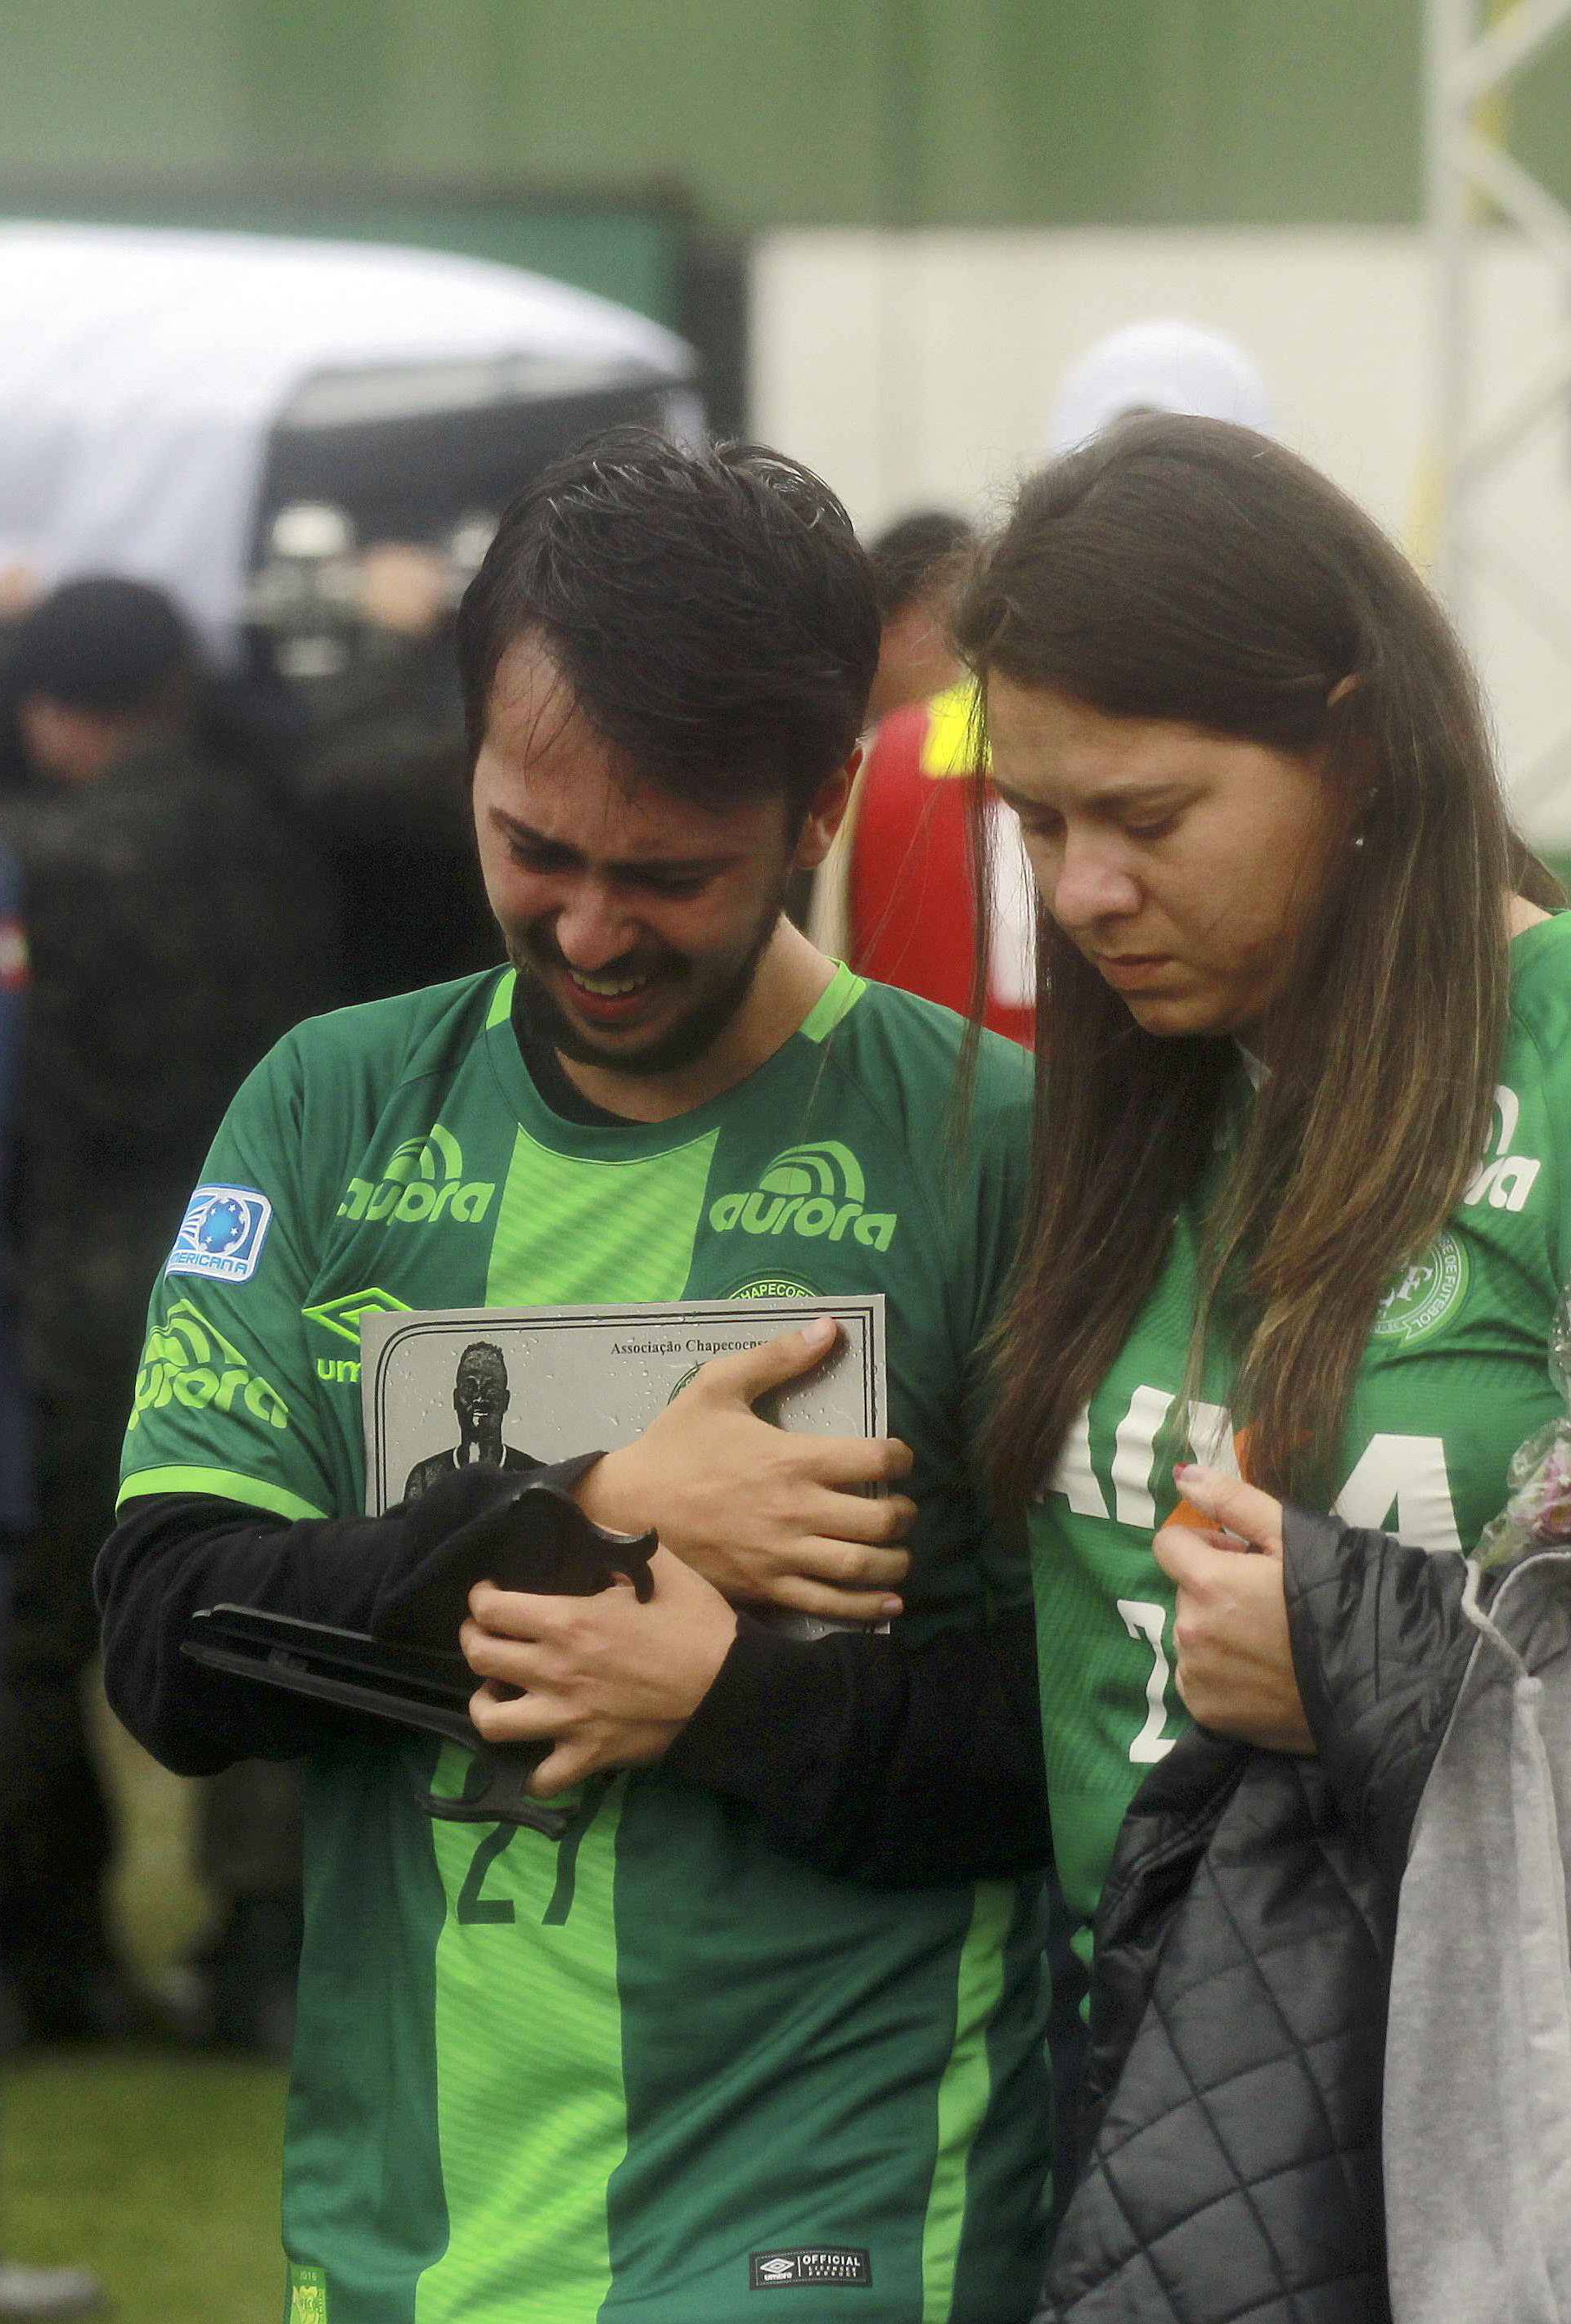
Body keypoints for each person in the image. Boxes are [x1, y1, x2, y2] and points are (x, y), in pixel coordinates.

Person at [470, 414, 1571, 2309]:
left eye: (1143, 818)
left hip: (1484, 2144)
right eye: (1037, 823)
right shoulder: (1121, 1108)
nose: (1077, 894)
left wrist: (1379, 1668)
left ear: (1359, 743)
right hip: (1128, 2111)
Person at [97, 432, 1053, 2322]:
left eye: (667, 873)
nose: (592, 928)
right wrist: (590, 1508)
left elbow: (1092, 1741)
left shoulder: (995, 1143)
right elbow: (170, 1644)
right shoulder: (327, 1108)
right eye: (533, 846)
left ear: (820, 811)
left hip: (839, 2220)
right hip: (420, 2235)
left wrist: (733, 1697)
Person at [0, 577, 340, 2049]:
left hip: (77, 1281)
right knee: (261, 1600)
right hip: (274, 1261)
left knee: (29, 1632)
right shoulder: (294, 826)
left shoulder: (40, 863)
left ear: (56, 711)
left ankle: (55, 1948)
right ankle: (265, 1946)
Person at [402, 1342, 537, 1499]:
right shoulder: (425, 1478)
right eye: (470, 1386)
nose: (479, 1398)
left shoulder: (534, 1477)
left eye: (490, 1387)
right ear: (455, 1399)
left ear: (505, 1401)